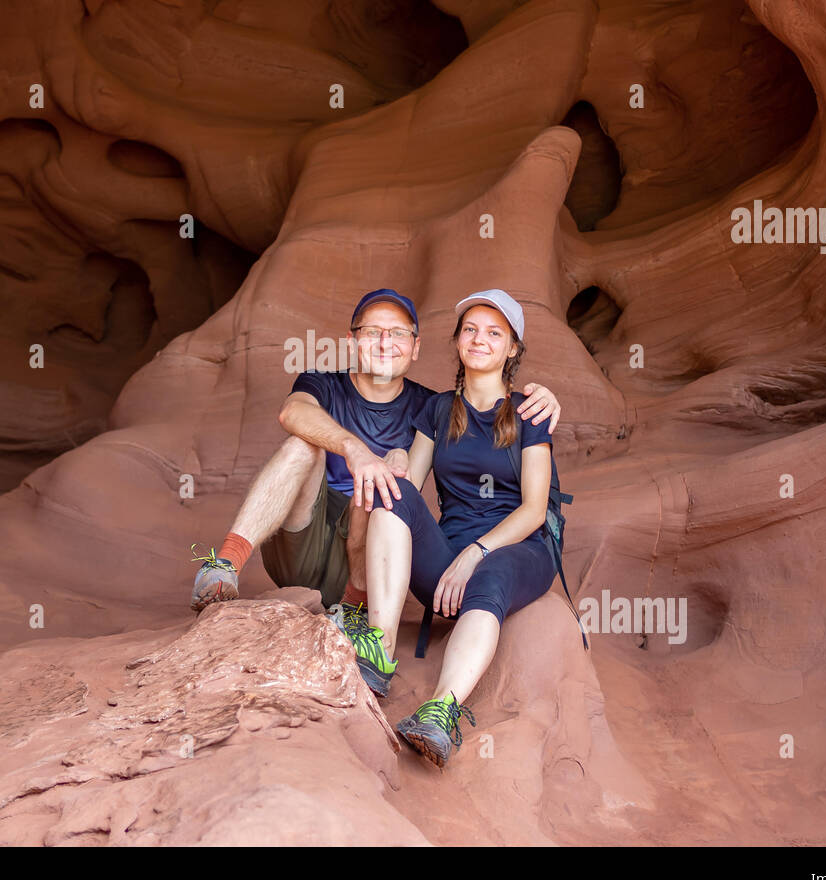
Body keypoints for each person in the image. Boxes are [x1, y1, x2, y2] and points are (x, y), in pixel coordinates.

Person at [189, 288, 561, 628]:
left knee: (389, 479)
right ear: (354, 340)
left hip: (368, 557)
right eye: (373, 332)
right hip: (302, 540)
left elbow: (481, 415)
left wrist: (541, 397)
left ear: (416, 347)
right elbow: (292, 414)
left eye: (398, 333)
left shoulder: (432, 407)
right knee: (302, 445)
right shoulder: (324, 383)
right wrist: (355, 450)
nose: (386, 342)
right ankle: (223, 566)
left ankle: (354, 609)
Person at [351, 289, 557, 768]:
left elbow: (534, 509)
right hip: (450, 552)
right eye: (470, 330)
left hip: (518, 547)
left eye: (494, 333)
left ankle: (441, 710)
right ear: (458, 342)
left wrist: (475, 553)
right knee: (391, 491)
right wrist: (395, 460)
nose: (479, 339)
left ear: (512, 349)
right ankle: (378, 650)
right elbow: (410, 487)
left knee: (492, 578)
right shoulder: (440, 410)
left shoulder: (531, 412)